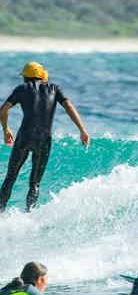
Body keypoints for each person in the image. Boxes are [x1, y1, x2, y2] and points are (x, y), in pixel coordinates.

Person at [0, 62, 90, 212]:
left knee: (10, 179)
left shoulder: (21, 89)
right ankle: (29, 215)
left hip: (24, 137)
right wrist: (82, 129)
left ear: (26, 77)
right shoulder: (54, 89)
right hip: (43, 141)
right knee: (35, 183)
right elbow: (68, 106)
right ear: (42, 76)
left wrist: (5, 130)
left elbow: (3, 110)